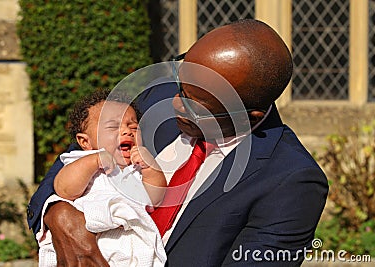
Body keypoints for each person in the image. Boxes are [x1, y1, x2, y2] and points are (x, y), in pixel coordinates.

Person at [27, 19, 328, 266]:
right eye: (181, 79)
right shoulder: (161, 96)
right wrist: (60, 216)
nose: (174, 102)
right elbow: (73, 161)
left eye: (195, 103)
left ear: (249, 115)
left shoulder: (292, 181)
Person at [36, 89, 167, 266]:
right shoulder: (80, 161)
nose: (127, 132)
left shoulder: (136, 169)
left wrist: (150, 168)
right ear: (85, 142)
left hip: (128, 245)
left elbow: (155, 198)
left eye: (133, 127)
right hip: (84, 237)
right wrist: (93, 162)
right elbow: (64, 189)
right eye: (113, 126)